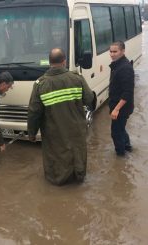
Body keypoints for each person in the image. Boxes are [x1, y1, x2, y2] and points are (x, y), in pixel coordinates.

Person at [28, 48, 94, 185]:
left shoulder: (40, 84)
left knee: (56, 154)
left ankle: (58, 180)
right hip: (76, 128)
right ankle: (78, 177)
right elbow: (89, 99)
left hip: (53, 130)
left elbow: (34, 112)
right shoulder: (77, 78)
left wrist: (32, 133)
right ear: (64, 61)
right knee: (77, 151)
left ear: (49, 62)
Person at [108, 41, 135, 156]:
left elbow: (127, 92)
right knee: (121, 129)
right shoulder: (117, 65)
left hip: (122, 107)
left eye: (115, 51)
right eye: (110, 51)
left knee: (116, 133)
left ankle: (121, 156)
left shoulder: (125, 68)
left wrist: (116, 109)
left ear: (122, 51)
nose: (112, 54)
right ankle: (127, 147)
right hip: (117, 105)